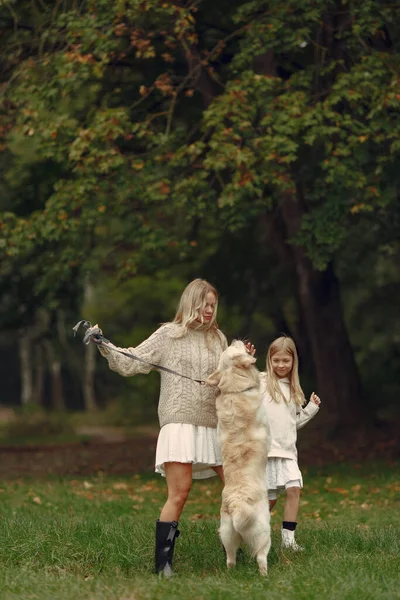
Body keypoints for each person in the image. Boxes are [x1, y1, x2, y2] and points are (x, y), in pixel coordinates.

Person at [86, 279, 254, 576]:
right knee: (180, 491)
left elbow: (229, 382)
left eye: (214, 305)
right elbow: (131, 362)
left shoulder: (219, 339)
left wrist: (241, 363)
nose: (210, 310)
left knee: (237, 486)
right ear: (191, 302)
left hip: (214, 424)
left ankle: (236, 549)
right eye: (205, 303)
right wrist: (104, 344)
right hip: (178, 422)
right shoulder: (169, 334)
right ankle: (163, 565)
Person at [261, 336, 321, 551]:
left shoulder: (294, 389)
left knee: (294, 488)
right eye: (276, 360)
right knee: (268, 500)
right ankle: (252, 535)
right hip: (265, 452)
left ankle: (288, 540)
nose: (281, 365)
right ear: (269, 360)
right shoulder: (260, 383)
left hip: (287, 451)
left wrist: (311, 409)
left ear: (293, 361)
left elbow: (293, 423)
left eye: (286, 360)